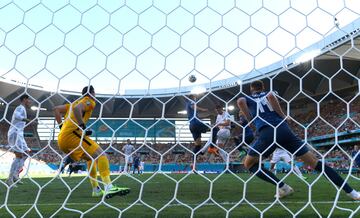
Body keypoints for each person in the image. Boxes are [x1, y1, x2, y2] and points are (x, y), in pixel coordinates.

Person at [237, 80, 360, 200]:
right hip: (284, 130)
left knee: (249, 164)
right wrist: (284, 116)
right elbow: (271, 95)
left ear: (251, 89)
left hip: (267, 133)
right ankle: (353, 193)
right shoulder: (269, 93)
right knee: (315, 163)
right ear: (262, 87)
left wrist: (251, 120)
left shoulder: (248, 98)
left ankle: (283, 187)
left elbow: (240, 100)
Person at [56, 85, 130, 199]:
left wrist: (61, 126)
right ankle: (109, 187)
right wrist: (83, 126)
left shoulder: (71, 104)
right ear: (92, 93)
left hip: (62, 139)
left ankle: (96, 189)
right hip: (73, 136)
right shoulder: (89, 100)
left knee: (91, 158)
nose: (95, 95)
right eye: (94, 92)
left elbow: (56, 109)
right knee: (102, 155)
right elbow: (77, 110)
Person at [6, 94, 32, 187]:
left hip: (19, 134)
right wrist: (28, 120)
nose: (30, 102)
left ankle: (15, 174)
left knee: (27, 153)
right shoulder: (20, 108)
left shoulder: (23, 109)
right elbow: (17, 116)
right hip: (15, 133)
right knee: (18, 156)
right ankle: (9, 179)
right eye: (29, 100)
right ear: (25, 99)